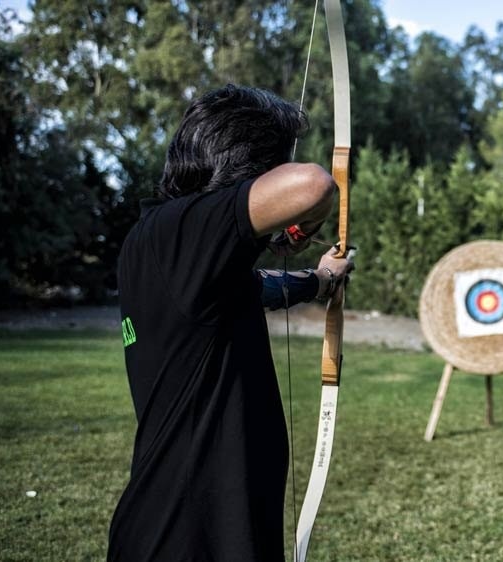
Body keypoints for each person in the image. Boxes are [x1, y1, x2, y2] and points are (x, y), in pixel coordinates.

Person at [108, 84, 353, 561]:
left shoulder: (164, 244)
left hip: (204, 528)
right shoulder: (182, 228)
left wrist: (319, 281)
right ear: (250, 165)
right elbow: (315, 186)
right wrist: (298, 227)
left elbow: (249, 291)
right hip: (186, 538)